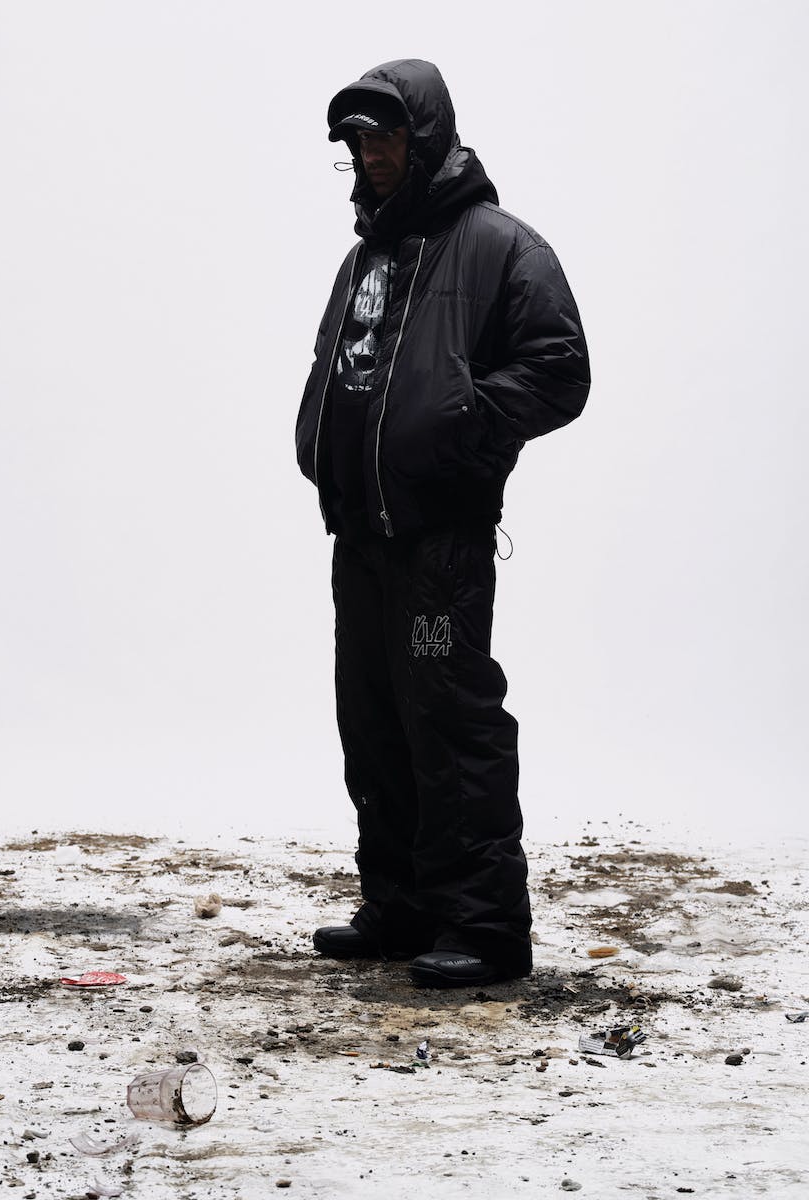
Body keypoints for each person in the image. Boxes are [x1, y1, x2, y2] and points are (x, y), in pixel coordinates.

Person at [295, 59, 589, 988]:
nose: (369, 155)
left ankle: (487, 928)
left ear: (424, 138)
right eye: (355, 143)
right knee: (373, 716)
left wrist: (461, 424)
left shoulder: (500, 245)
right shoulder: (366, 258)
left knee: (447, 717)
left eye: (383, 137)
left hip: (440, 548)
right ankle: (402, 907)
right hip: (362, 539)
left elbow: (560, 368)